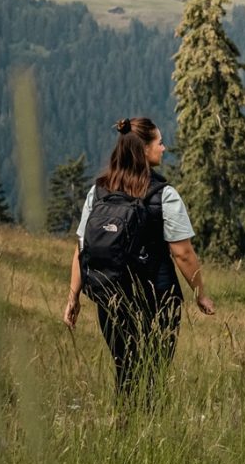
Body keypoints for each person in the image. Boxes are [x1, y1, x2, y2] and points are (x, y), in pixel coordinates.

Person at [62, 117, 214, 401]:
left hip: (111, 297)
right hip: (158, 299)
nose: (164, 148)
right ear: (144, 150)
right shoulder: (163, 195)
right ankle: (148, 428)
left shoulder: (99, 192)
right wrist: (200, 294)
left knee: (125, 370)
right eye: (159, 142)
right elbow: (183, 253)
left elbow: (82, 247)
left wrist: (74, 298)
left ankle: (124, 426)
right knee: (154, 373)